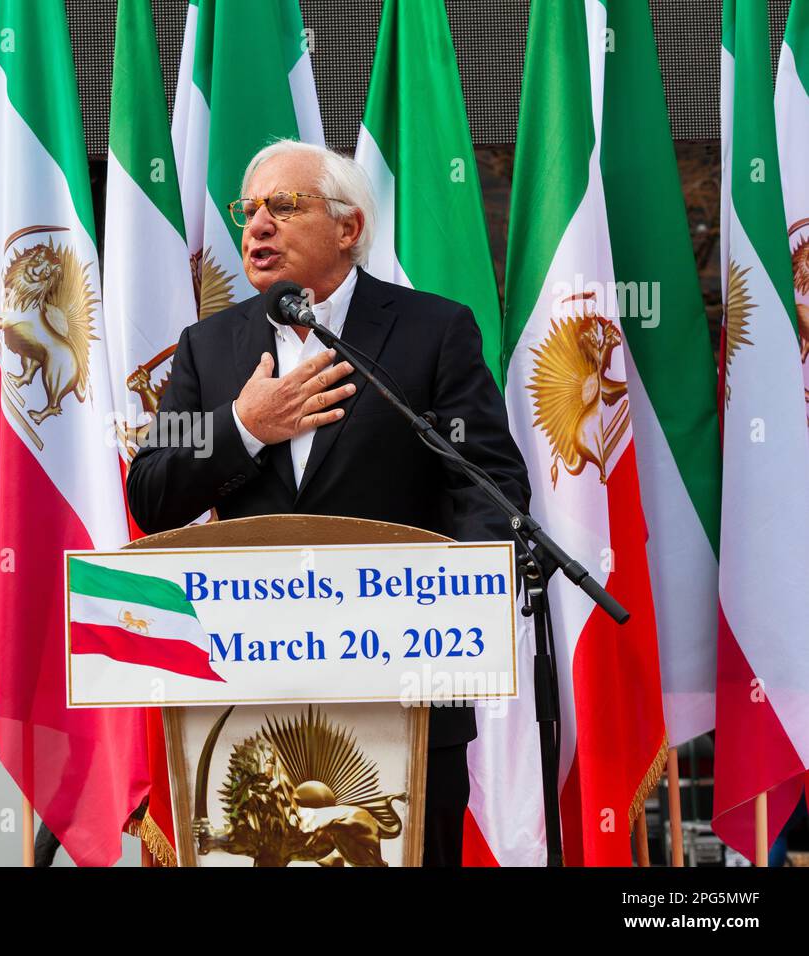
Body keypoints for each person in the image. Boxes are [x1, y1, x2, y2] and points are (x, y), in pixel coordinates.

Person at [126, 140, 530, 867]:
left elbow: (490, 490)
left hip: (406, 694)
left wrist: (455, 606)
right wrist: (245, 427)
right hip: (247, 700)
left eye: (283, 206)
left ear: (348, 228)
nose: (257, 225)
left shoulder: (433, 332)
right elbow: (152, 491)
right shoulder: (209, 348)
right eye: (248, 210)